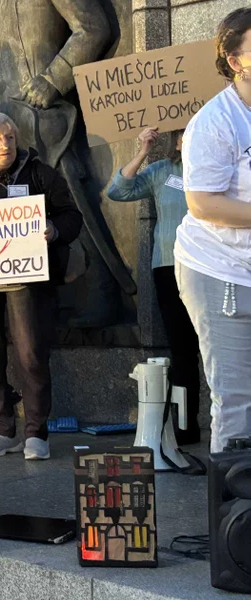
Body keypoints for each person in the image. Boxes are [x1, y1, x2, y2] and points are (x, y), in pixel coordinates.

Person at [0, 114, 82, 460]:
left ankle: (36, 432)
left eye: (9, 137)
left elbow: (71, 216)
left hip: (25, 278)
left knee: (30, 353)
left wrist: (53, 229)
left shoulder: (39, 173)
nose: (4, 145)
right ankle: (2, 429)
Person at [175, 7, 251, 454]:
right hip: (219, 269)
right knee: (238, 401)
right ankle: (235, 517)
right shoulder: (215, 121)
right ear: (236, 60)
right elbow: (202, 202)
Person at [107, 127, 199, 445]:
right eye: (186, 134)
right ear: (175, 141)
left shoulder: (218, 168)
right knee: (183, 349)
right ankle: (186, 429)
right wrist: (144, 151)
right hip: (170, 268)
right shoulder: (162, 172)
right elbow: (118, 191)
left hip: (213, 268)